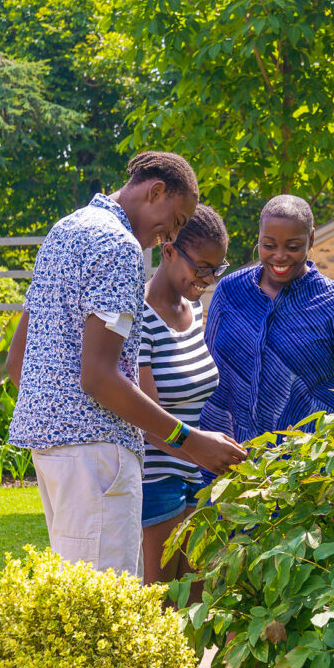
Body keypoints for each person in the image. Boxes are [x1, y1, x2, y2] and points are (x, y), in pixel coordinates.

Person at [5, 151, 245, 578]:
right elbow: (99, 376)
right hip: (99, 456)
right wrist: (190, 441)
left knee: (79, 599)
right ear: (156, 191)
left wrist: (60, 422)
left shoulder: (67, 229)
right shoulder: (120, 247)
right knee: (101, 612)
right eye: (175, 219)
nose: (170, 234)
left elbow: (18, 360)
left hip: (51, 451)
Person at [199, 194, 334, 472]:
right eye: (268, 245)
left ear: (311, 239)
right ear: (259, 237)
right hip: (234, 465)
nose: (279, 256)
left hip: (310, 473)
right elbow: (210, 372)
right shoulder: (230, 291)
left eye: (293, 246)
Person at [138, 204, 229, 586]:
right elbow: (144, 420)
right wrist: (200, 448)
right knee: (157, 603)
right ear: (169, 248)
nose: (207, 279)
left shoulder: (194, 308)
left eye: (216, 269)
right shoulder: (140, 317)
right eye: (202, 267)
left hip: (194, 472)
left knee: (194, 604)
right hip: (156, 480)